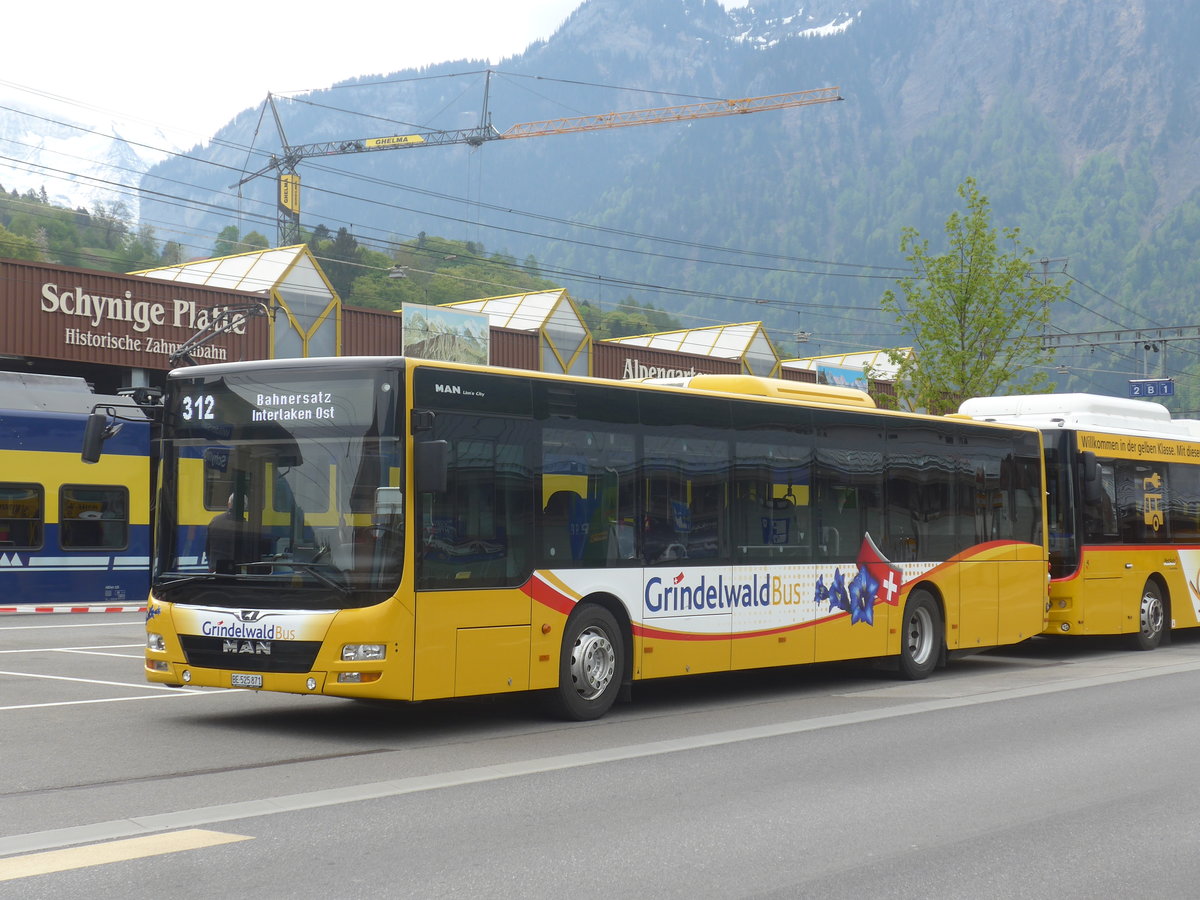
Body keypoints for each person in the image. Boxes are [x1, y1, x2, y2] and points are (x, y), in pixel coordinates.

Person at [206, 494, 244, 574]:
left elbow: (208, 548)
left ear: (229, 504)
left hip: (215, 569)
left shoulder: (215, 521)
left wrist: (211, 564)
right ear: (244, 507)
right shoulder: (245, 526)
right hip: (235, 571)